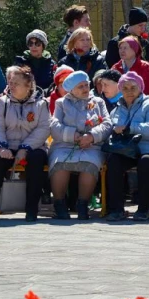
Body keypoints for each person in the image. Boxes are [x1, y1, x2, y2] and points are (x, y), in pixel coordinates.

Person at [0, 66, 50, 222]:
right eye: (10, 82)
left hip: (34, 146)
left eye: (16, 83)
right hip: (8, 145)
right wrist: (1, 147)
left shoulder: (41, 103)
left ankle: (31, 210)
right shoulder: (3, 102)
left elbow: (44, 128)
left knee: (36, 161)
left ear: (28, 85)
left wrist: (25, 147)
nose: (11, 86)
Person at [49, 71, 111, 220]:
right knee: (60, 164)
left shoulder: (98, 102)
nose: (85, 89)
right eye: (80, 87)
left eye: (86, 85)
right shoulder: (61, 103)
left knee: (89, 164)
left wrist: (91, 136)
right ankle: (59, 204)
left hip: (91, 145)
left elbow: (107, 124)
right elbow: (54, 125)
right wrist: (73, 135)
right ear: (71, 90)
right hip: (65, 145)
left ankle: (83, 204)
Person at [103, 71, 149, 221]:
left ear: (141, 88)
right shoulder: (117, 107)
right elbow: (111, 127)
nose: (129, 91)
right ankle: (116, 209)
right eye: (125, 88)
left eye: (133, 87)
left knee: (146, 162)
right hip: (125, 150)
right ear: (120, 89)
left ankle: (143, 209)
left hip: (146, 148)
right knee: (113, 160)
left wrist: (130, 128)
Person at [15, 29, 55, 94]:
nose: (33, 46)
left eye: (38, 44)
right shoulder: (20, 62)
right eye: (30, 43)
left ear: (43, 46)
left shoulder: (51, 64)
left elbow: (53, 86)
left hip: (45, 99)